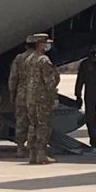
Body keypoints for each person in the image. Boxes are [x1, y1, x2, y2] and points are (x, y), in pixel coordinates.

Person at [25, 33, 60, 166]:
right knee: (43, 125)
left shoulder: (28, 60)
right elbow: (49, 82)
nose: (46, 46)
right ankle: (41, 154)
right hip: (42, 98)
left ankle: (32, 155)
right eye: (45, 43)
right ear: (40, 44)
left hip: (30, 97)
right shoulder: (44, 60)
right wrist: (54, 97)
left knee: (33, 125)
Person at [8, 35, 36, 158]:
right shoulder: (39, 58)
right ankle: (32, 147)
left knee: (21, 121)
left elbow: (13, 78)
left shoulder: (18, 58)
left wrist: (12, 93)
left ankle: (20, 147)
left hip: (21, 93)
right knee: (34, 121)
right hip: (35, 93)